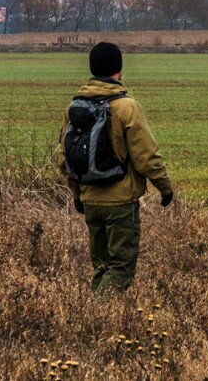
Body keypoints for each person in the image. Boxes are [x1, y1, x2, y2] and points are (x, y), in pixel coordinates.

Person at [61, 41, 174, 292]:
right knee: (120, 271)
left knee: (101, 267)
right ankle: (100, 318)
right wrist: (165, 189)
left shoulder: (75, 107)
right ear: (119, 72)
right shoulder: (127, 107)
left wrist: (77, 194)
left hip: (90, 200)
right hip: (120, 203)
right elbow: (147, 157)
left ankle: (92, 320)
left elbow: (66, 157)